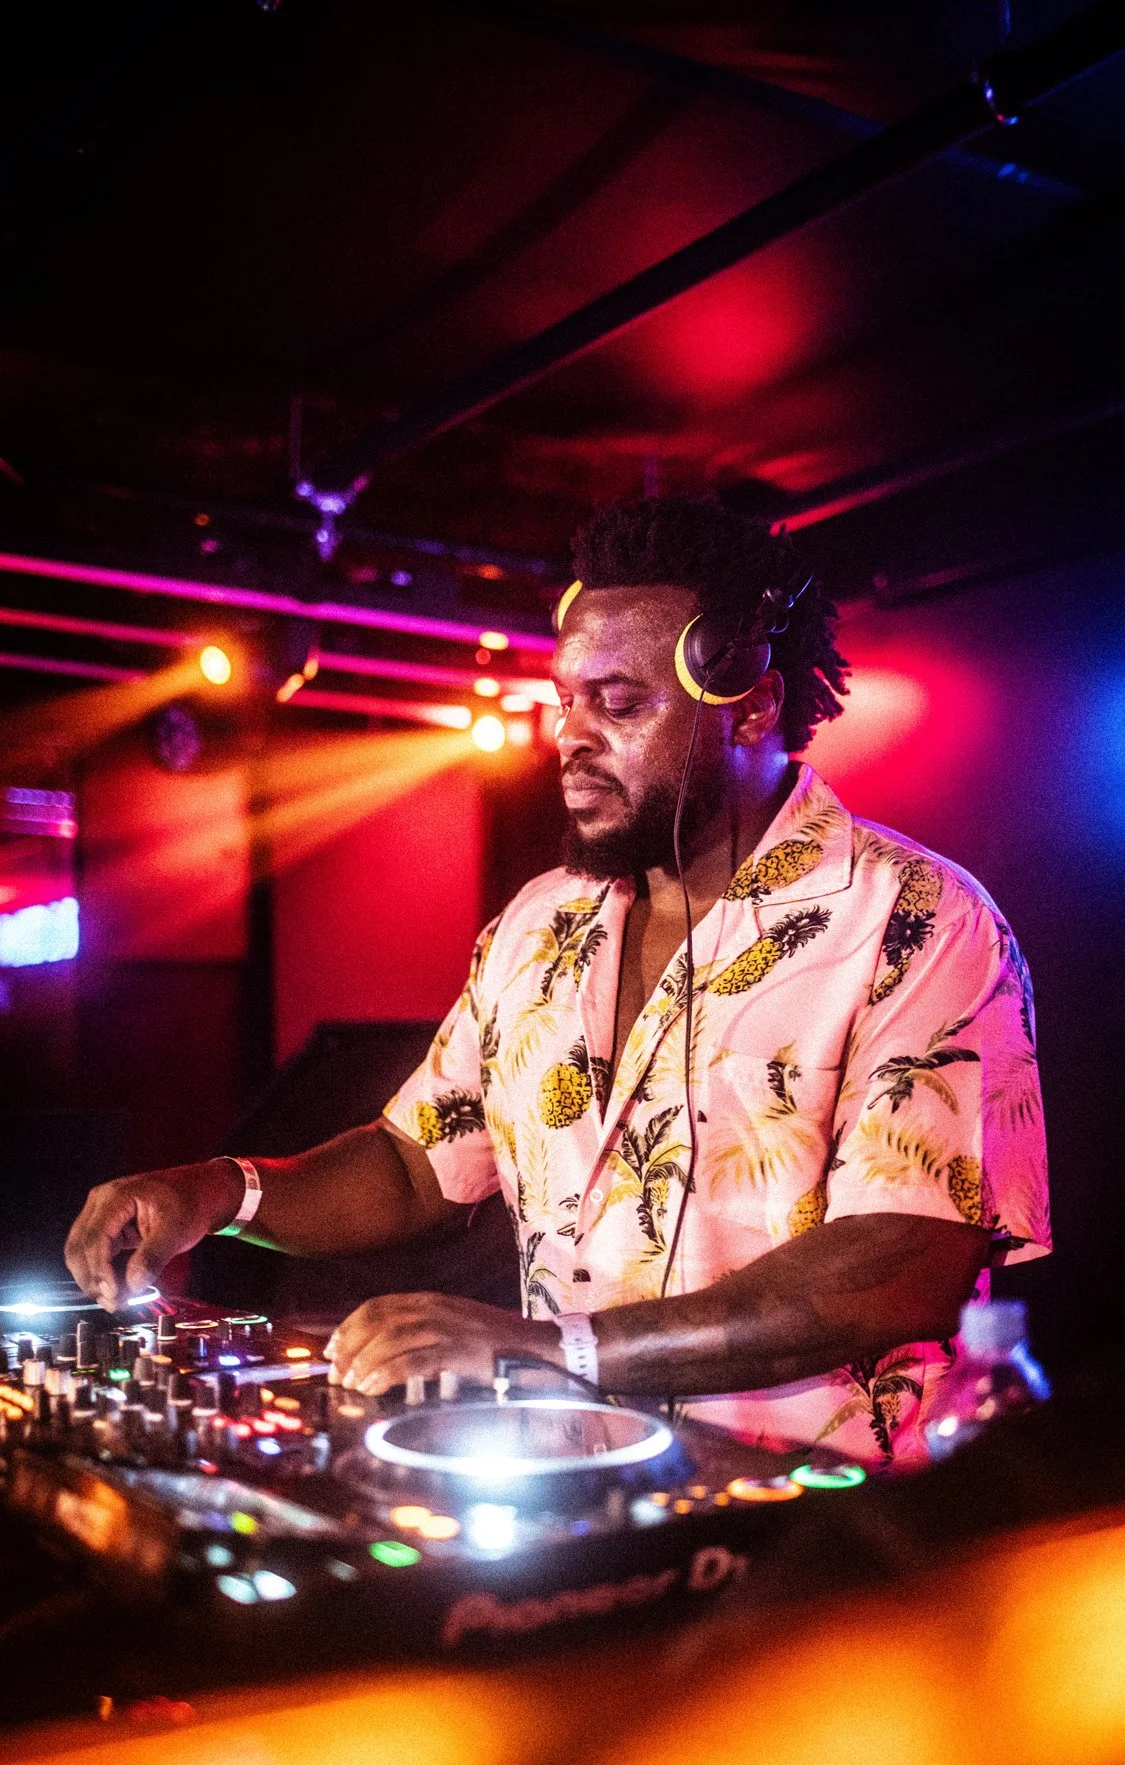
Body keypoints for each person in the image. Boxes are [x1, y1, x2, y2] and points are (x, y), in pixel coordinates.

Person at [65, 498, 1050, 1464]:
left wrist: (564, 1346)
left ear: (751, 704)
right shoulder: (541, 923)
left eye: (619, 704)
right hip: (577, 1476)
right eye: (566, 699)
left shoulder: (917, 919)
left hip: (833, 1528)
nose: (571, 735)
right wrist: (217, 1190)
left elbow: (897, 1262)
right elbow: (416, 1163)